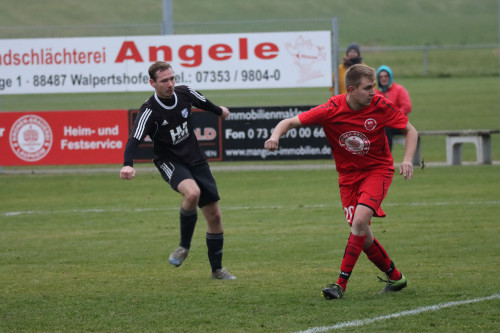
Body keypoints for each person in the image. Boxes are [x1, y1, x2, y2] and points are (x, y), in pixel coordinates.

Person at [265, 64, 418, 299]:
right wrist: (275, 136)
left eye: (374, 87)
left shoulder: (380, 106)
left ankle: (339, 285)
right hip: (348, 178)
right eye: (368, 88)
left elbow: (411, 131)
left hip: (378, 170)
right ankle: (396, 278)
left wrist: (407, 160)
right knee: (362, 235)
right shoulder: (331, 109)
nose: (373, 92)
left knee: (359, 222)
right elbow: (289, 122)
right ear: (352, 89)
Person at [120, 61, 235, 280]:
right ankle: (183, 247)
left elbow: (202, 101)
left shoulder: (184, 93)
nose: (171, 84)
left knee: (214, 215)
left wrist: (219, 111)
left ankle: (217, 270)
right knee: (192, 193)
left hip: (196, 159)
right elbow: (134, 138)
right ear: (152, 83)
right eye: (165, 80)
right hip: (169, 161)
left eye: (173, 78)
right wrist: (128, 163)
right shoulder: (149, 110)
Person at [375, 65, 413, 150]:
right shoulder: (376, 93)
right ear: (378, 79)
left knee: (386, 129)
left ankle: (387, 156)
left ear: (390, 77)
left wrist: (393, 115)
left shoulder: (399, 89)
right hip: (382, 123)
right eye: (381, 77)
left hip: (398, 123)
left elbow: (407, 106)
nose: (383, 78)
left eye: (386, 76)